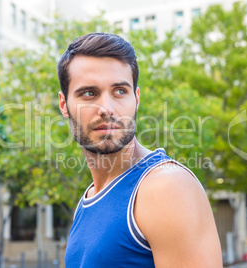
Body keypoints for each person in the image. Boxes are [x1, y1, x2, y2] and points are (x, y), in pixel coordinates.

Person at [57, 33, 222, 267]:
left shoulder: (166, 187)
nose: (107, 108)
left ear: (136, 98)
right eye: (89, 93)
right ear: (64, 105)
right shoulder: (89, 199)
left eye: (120, 91)